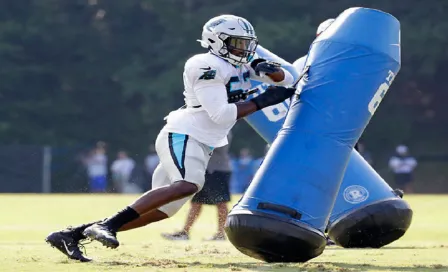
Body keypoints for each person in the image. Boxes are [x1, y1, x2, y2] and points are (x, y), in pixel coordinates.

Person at [45, 14, 296, 262]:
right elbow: (221, 114)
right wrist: (262, 100)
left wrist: (272, 73)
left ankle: (72, 234)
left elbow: (291, 78)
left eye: (246, 43)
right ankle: (107, 226)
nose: (244, 49)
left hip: (204, 142)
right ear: (217, 40)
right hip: (184, 134)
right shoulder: (204, 64)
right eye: (237, 43)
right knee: (189, 184)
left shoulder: (240, 64)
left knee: (162, 212)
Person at [161, 133, 233, 241]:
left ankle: (220, 234)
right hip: (205, 170)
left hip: (217, 170)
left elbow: (217, 146)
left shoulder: (223, 129)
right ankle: (184, 232)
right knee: (196, 202)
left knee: (221, 202)